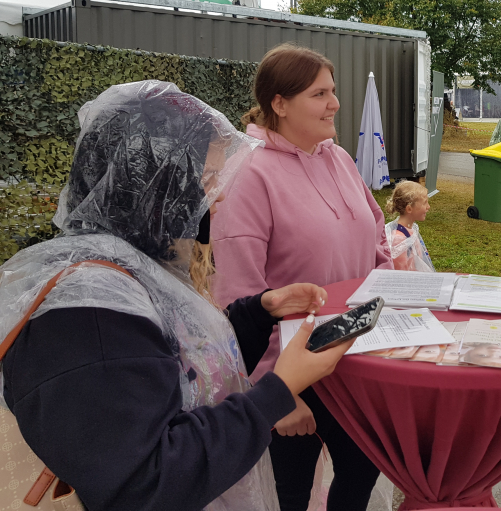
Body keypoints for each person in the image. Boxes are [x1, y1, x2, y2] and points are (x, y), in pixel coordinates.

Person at [0, 81, 352, 511]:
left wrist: (256, 313)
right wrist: (277, 390)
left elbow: (176, 371)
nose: (220, 194)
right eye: (207, 179)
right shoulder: (89, 312)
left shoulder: (130, 267)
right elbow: (147, 483)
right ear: (152, 184)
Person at [211, 45, 392, 511]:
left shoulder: (339, 158)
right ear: (279, 103)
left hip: (357, 358)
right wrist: (277, 392)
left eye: (333, 91)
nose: (334, 103)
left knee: (361, 473)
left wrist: (393, 297)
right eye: (320, 94)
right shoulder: (249, 173)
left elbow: (376, 237)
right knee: (289, 495)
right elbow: (238, 295)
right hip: (293, 373)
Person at [384, 181, 435, 272]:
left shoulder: (411, 229)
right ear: (409, 209)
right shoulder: (399, 239)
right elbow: (400, 272)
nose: (428, 207)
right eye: (424, 203)